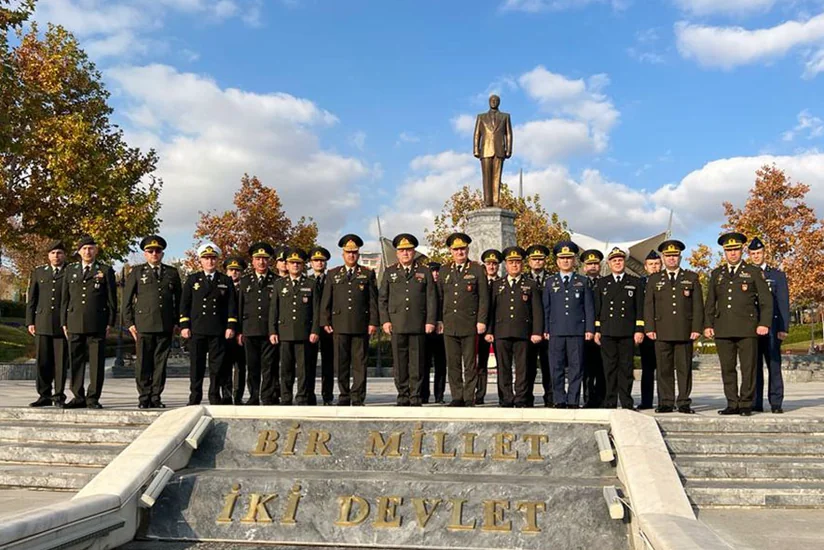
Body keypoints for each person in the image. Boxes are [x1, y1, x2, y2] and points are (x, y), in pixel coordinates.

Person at [704, 232, 772, 416]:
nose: (732, 254)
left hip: (747, 328)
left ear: (742, 250)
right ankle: (732, 403)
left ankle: (745, 404)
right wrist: (708, 324)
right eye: (729, 250)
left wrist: (764, 323)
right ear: (724, 252)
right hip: (723, 328)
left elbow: (766, 300)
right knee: (728, 368)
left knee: (748, 368)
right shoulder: (717, 274)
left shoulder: (753, 272)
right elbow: (711, 302)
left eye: (735, 250)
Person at [122, 235, 182, 409]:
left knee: (160, 363)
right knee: (143, 363)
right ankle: (144, 396)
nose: (154, 254)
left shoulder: (171, 272)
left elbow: (178, 300)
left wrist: (178, 321)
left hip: (165, 324)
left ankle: (156, 396)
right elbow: (127, 300)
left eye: (158, 251)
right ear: (145, 254)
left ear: (162, 253)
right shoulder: (137, 272)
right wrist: (129, 323)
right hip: (144, 324)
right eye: (150, 251)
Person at [644, 240, 703, 414]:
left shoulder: (691, 277)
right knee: (664, 369)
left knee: (684, 368)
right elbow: (649, 305)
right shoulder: (654, 279)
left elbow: (698, 306)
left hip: (685, 331)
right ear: (663, 258)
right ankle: (666, 401)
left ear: (680, 257)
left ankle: (684, 401)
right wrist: (649, 328)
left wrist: (696, 328)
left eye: (674, 255)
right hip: (661, 331)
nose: (671, 259)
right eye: (668, 256)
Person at [378, 234, 437, 406]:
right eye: (402, 250)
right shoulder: (390, 272)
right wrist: (385, 321)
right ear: (397, 253)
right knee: (400, 362)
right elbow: (383, 299)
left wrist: (430, 321)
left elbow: (431, 298)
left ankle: (415, 395)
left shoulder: (424, 271)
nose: (405, 253)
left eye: (409, 250)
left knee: (417, 363)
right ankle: (403, 394)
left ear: (413, 252)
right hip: (397, 324)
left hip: (418, 324)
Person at [320, 234, 378, 406]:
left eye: (354, 252)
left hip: (361, 325)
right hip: (339, 325)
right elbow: (326, 300)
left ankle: (358, 396)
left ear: (358, 254)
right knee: (341, 363)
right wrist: (325, 321)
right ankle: (344, 395)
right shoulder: (333, 274)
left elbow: (372, 300)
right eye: (348, 252)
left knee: (360, 363)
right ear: (342, 254)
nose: (351, 255)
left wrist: (373, 322)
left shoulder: (367, 273)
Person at [61, 236, 117, 409]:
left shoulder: (105, 270)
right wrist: (64, 322)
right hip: (74, 322)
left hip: (97, 323)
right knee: (76, 361)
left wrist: (110, 322)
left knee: (96, 363)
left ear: (96, 250)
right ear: (79, 252)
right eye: (84, 248)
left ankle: (93, 397)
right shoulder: (70, 270)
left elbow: (112, 300)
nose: (87, 251)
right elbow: (65, 299)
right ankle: (78, 396)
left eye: (91, 248)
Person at [180, 243, 237, 405]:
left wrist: (230, 326)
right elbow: (185, 304)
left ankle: (214, 395)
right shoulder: (192, 280)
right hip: (197, 329)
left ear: (217, 260)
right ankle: (195, 396)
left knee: (216, 367)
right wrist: (185, 325)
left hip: (218, 330)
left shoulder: (225, 280)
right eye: (206, 258)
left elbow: (231, 305)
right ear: (200, 260)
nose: (210, 262)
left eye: (212, 258)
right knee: (196, 365)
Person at [486, 246, 543, 407]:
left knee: (522, 369)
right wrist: (489, 331)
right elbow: (491, 309)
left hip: (523, 333)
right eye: (511, 262)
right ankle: (505, 398)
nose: (514, 265)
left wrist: (537, 331)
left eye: (517, 262)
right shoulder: (498, 285)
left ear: (522, 264)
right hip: (501, 332)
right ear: (506, 264)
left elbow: (537, 311)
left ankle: (521, 398)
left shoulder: (530, 284)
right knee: (503, 369)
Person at [438, 232, 489, 407]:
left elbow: (484, 297)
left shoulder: (476, 269)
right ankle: (456, 396)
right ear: (451, 251)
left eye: (463, 249)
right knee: (452, 364)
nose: (460, 252)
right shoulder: (444, 270)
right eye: (456, 249)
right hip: (450, 324)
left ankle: (469, 397)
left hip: (469, 324)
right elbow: (439, 298)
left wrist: (481, 320)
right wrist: (439, 320)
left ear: (467, 249)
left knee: (470, 364)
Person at [543, 241, 594, 408]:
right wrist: (546, 328)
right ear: (557, 261)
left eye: (569, 258)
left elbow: (588, 307)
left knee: (576, 367)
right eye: (562, 258)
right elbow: (546, 308)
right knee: (556, 367)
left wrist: (589, 329)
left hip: (577, 330)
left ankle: (573, 400)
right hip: (556, 330)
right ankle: (559, 399)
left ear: (574, 261)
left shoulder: (583, 281)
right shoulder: (550, 282)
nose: (565, 261)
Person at [593, 247, 645, 410]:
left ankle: (626, 401)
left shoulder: (635, 282)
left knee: (626, 368)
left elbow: (639, 308)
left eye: (620, 260)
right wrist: (597, 330)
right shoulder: (602, 283)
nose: (617, 263)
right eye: (614, 260)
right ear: (609, 263)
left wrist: (639, 329)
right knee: (609, 368)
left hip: (627, 332)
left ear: (625, 262)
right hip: (608, 331)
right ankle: (610, 401)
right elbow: (598, 309)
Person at [269, 248, 320, 405]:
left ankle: (302, 397)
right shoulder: (279, 284)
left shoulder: (310, 284)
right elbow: (274, 310)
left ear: (303, 265)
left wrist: (315, 330)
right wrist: (272, 331)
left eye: (298, 263)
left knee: (303, 369)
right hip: (284, 333)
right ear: (287, 265)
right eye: (292, 263)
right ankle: (285, 397)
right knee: (285, 369)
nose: (295, 266)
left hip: (304, 333)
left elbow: (316, 310)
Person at [748, 237, 790, 414]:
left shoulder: (777, 276)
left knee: (774, 365)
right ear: (749, 255)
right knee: (753, 366)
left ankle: (776, 402)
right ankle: (756, 402)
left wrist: (783, 327)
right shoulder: (747, 274)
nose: (756, 256)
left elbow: (782, 302)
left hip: (772, 327)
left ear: (764, 253)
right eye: (753, 254)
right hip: (751, 328)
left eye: (759, 253)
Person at [26, 240, 69, 407]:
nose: (56, 256)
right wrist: (30, 321)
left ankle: (58, 396)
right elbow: (32, 298)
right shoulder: (39, 272)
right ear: (48, 256)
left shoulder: (70, 272)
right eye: (53, 253)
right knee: (43, 361)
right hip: (42, 322)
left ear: (64, 255)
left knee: (60, 363)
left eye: (59, 253)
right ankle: (44, 395)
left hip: (61, 324)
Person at [238, 243, 280, 406]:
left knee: (269, 366)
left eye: (264, 259)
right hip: (250, 330)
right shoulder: (245, 281)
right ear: (252, 261)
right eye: (258, 259)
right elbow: (240, 306)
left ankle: (267, 396)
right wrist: (240, 331)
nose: (261, 262)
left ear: (269, 260)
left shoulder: (276, 280)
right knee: (253, 366)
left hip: (269, 331)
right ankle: (254, 395)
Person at [525, 244, 552, 407]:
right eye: (534, 259)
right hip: (528, 330)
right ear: (529, 261)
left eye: (540, 259)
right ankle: (527, 397)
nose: (537, 262)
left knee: (549, 366)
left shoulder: (552, 279)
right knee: (528, 367)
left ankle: (550, 397)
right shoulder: (523, 279)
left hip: (548, 330)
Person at [307, 246, 334, 405]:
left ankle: (327, 396)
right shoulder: (307, 281)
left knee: (328, 364)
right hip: (310, 327)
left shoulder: (331, 279)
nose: (319, 263)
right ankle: (309, 394)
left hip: (328, 327)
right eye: (316, 260)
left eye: (322, 261)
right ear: (311, 263)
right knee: (308, 362)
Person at [476, 249, 502, 405]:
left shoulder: (502, 283)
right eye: (488, 264)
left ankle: (503, 396)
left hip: (498, 330)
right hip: (481, 329)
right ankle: (479, 394)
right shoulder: (479, 283)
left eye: (494, 264)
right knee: (480, 364)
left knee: (502, 365)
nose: (491, 267)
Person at [580, 249, 605, 408]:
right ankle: (588, 398)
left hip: (603, 331)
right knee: (586, 369)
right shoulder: (580, 283)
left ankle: (601, 398)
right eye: (589, 264)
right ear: (584, 267)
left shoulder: (605, 282)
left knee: (602, 367)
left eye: (596, 263)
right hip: (584, 331)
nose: (593, 267)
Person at [638, 250, 662, 410]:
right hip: (646, 331)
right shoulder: (640, 284)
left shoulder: (666, 280)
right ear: (646, 267)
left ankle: (664, 401)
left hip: (664, 330)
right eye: (651, 264)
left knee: (663, 369)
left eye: (657, 264)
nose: (654, 267)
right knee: (647, 369)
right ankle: (646, 401)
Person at [222, 256, 247, 405]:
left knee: (240, 367)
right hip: (224, 332)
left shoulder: (245, 287)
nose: (234, 273)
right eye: (231, 270)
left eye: (237, 270)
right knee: (225, 365)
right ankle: (226, 395)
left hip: (240, 333)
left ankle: (238, 396)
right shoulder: (221, 286)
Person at [423, 261, 447, 404]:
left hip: (442, 332)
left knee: (441, 365)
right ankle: (424, 394)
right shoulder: (424, 287)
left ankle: (439, 395)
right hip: (426, 331)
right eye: (433, 271)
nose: (436, 274)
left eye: (438, 271)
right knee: (424, 364)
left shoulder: (444, 288)